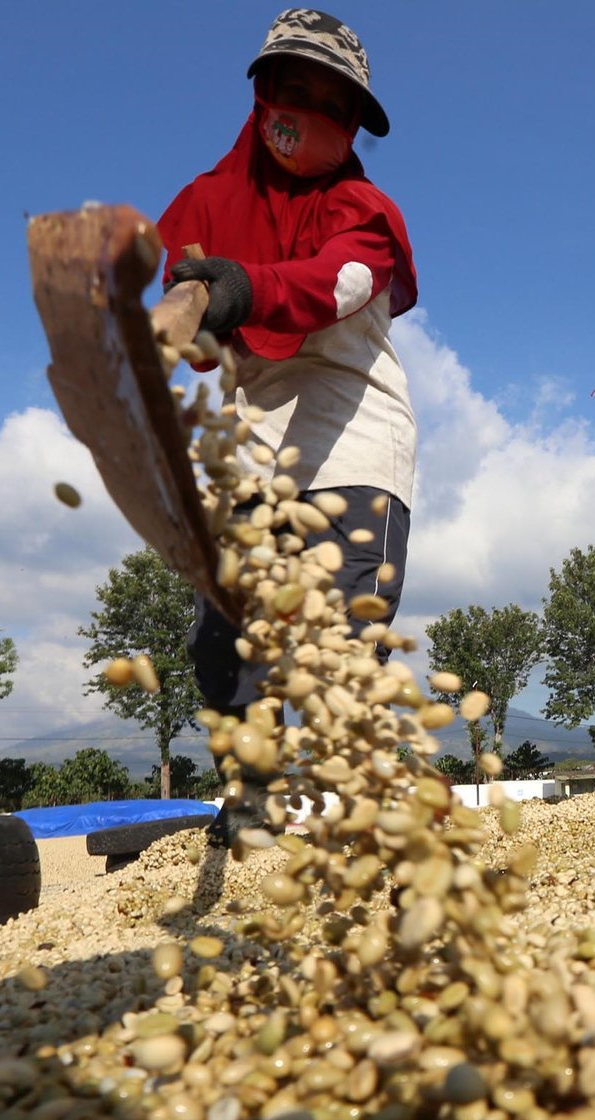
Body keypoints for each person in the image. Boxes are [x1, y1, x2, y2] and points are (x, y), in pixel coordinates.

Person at [158, 9, 418, 840]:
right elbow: (197, 335)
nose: (308, 113)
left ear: (350, 125)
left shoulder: (363, 210)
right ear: (263, 88)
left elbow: (331, 283)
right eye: (295, 88)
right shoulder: (205, 203)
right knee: (223, 647)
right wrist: (194, 315)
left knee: (339, 652)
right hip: (255, 452)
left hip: (353, 441)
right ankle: (254, 805)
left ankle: (366, 820)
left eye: (332, 104)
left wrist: (246, 290)